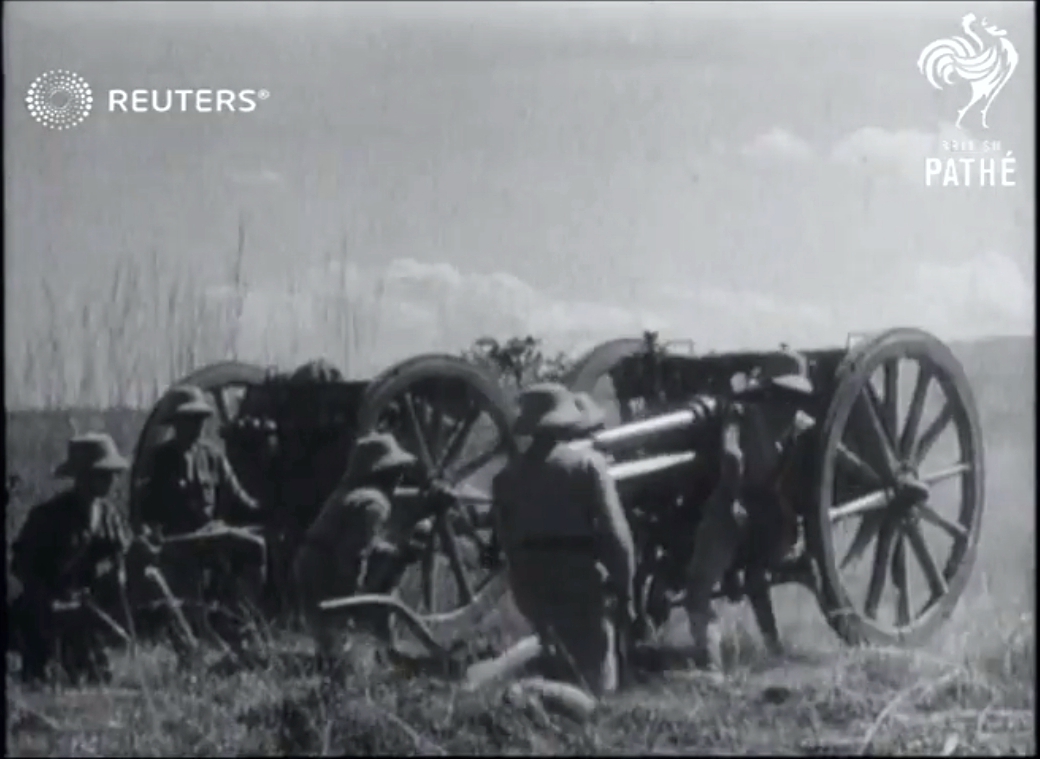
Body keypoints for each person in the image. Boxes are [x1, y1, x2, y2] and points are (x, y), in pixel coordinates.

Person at [491, 382, 636, 698]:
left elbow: (504, 539)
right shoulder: (587, 466)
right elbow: (616, 534)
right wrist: (627, 592)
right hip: (578, 583)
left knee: (552, 659)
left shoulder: (505, 478)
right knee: (597, 680)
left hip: (529, 588)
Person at [682, 350, 816, 675]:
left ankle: (711, 667)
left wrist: (732, 497)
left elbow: (731, 454)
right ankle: (773, 647)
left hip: (735, 508)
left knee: (699, 591)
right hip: (773, 517)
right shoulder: (803, 426)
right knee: (757, 577)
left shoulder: (742, 413)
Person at [134, 385, 266, 646]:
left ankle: (240, 618)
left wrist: (268, 509)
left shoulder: (212, 457)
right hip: (177, 541)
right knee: (187, 577)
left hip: (211, 534)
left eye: (199, 419)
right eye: (189, 420)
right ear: (176, 423)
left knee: (255, 547)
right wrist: (149, 538)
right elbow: (142, 511)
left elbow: (239, 498)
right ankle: (195, 633)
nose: (196, 426)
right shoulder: (159, 461)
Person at [293, 431, 429, 668]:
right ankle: (371, 656)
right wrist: (353, 596)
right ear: (386, 473)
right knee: (341, 638)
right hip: (326, 568)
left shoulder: (350, 494)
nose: (400, 477)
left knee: (329, 638)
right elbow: (353, 553)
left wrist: (395, 554)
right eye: (397, 471)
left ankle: (368, 653)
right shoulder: (374, 505)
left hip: (310, 562)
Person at [10, 433, 132, 686]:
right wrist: (51, 601)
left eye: (113, 474)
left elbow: (119, 559)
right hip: (48, 611)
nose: (111, 480)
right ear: (82, 477)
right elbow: (22, 567)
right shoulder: (47, 517)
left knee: (97, 677)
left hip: (90, 608)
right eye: (103, 474)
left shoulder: (109, 516)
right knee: (44, 679)